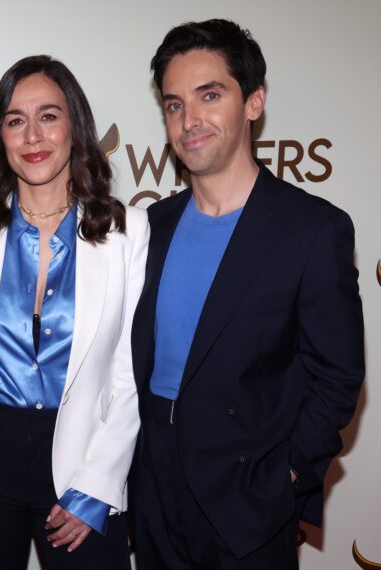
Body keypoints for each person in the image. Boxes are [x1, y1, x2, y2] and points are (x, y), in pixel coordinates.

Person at [129, 19, 365, 569]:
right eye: (174, 104)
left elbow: (338, 376)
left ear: (254, 102)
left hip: (247, 496)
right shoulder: (149, 226)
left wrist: (285, 474)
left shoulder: (311, 229)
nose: (190, 120)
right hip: (153, 489)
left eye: (210, 95)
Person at [0, 55, 148, 569]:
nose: (32, 135)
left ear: (76, 127)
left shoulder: (127, 231)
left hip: (83, 464)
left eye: (48, 116)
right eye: (15, 120)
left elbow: (131, 371)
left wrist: (97, 486)